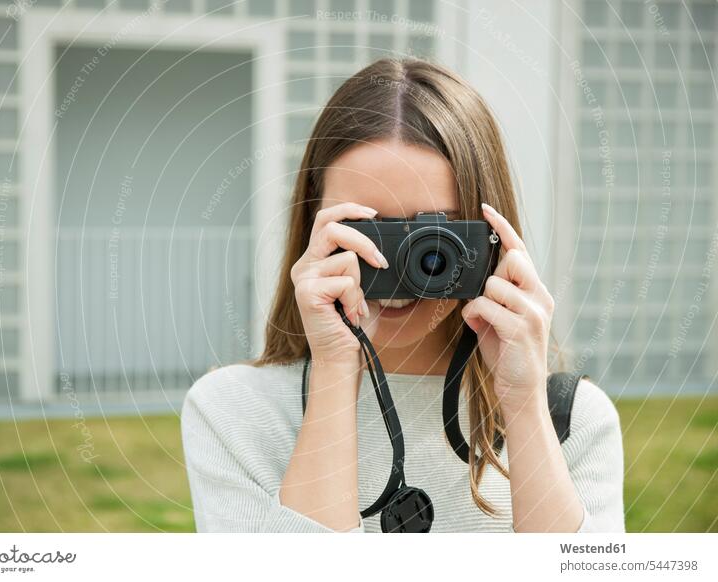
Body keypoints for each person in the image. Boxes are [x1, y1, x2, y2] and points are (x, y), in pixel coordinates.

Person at [180, 57, 625, 532]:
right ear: (314, 227)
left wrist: (522, 404)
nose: (391, 264)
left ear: (488, 237)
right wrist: (335, 372)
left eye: (433, 236)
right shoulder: (234, 414)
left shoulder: (573, 420)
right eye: (365, 232)